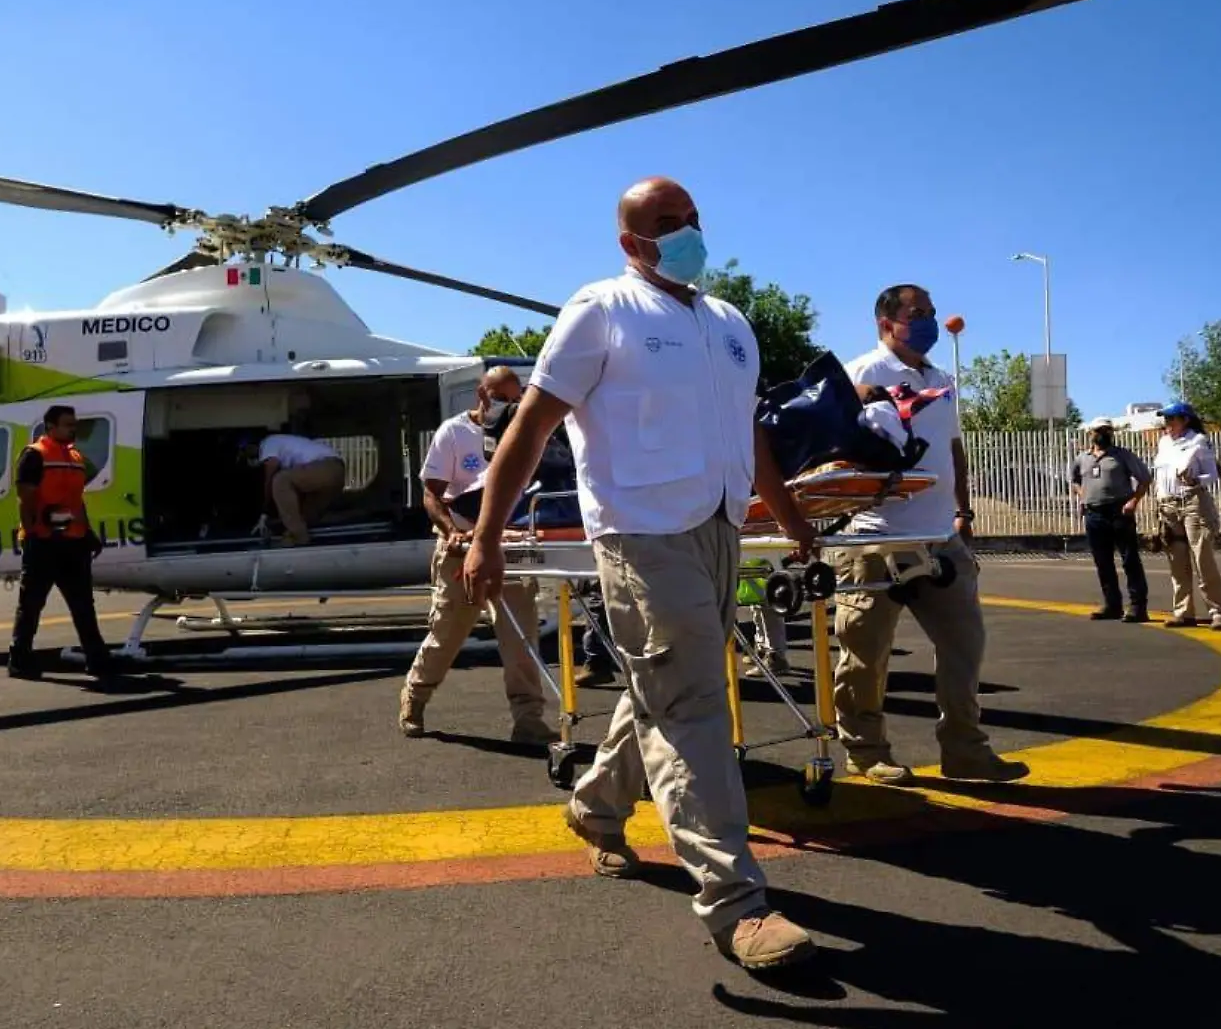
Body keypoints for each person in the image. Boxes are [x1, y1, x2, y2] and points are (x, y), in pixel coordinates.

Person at [463, 176, 821, 971]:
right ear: (631, 242)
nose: (689, 231)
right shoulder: (601, 309)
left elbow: (751, 435)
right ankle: (736, 902)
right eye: (668, 223)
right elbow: (532, 423)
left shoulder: (730, 324)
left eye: (693, 217)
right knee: (694, 705)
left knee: (666, 689)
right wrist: (485, 535)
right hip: (641, 535)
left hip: (719, 528)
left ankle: (594, 809)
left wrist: (791, 522)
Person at [829, 285, 1030, 787]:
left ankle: (965, 750)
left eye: (931, 314)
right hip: (875, 541)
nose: (927, 322)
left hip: (941, 537)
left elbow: (953, 449)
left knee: (965, 644)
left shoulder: (942, 380)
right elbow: (828, 447)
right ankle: (865, 750)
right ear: (884, 323)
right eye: (915, 313)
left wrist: (964, 511)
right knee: (865, 654)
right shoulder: (860, 373)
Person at [398, 366, 556, 745]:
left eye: (515, 400)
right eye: (500, 398)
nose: (508, 406)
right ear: (481, 396)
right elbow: (431, 493)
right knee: (447, 633)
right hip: (462, 548)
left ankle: (528, 718)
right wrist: (452, 533)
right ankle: (414, 698)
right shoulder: (454, 432)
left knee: (521, 638)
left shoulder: (523, 432)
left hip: (510, 548)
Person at [8, 404, 118, 679]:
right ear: (50, 427)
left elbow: (76, 500)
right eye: (67, 424)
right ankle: (20, 659)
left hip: (73, 541)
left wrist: (88, 532)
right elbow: (25, 493)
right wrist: (33, 528)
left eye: (74, 424)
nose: (73, 429)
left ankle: (97, 659)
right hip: (43, 542)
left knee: (83, 604)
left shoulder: (75, 457)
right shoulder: (35, 455)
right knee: (32, 604)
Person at [1151, 401, 1221, 630]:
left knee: (1202, 559)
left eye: (1171, 418)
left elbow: (1213, 473)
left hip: (1193, 501)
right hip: (1168, 504)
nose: (1167, 423)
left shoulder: (1198, 441)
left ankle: (1219, 612)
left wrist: (1197, 480)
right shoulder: (1164, 442)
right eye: (1165, 419)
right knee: (1176, 561)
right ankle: (1183, 612)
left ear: (1185, 420)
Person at [1069, 417, 1151, 622]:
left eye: (1108, 430)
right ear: (1091, 434)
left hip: (1119, 512)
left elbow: (1145, 478)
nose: (1104, 434)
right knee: (1103, 561)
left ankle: (1138, 607)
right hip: (1094, 514)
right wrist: (1083, 496)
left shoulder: (1122, 455)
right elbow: (1074, 480)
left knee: (1129, 559)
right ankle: (1112, 605)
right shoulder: (1082, 458)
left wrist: (1134, 501)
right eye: (1100, 430)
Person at [248, 432, 346, 545]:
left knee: (280, 480)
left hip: (324, 467)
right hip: (337, 473)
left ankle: (298, 537)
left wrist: (264, 511)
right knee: (303, 514)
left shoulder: (267, 444)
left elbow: (271, 471)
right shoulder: (284, 445)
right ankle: (293, 536)